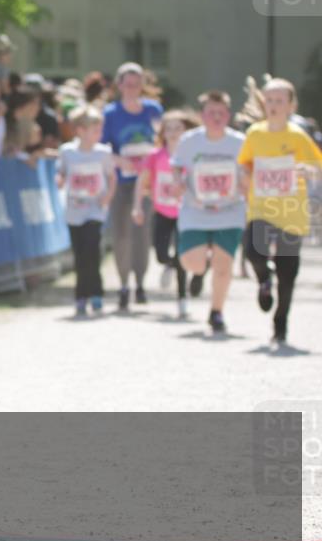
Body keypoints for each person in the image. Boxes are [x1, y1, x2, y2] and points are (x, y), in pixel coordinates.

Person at [236, 78, 322, 344]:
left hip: (289, 209)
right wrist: (243, 177)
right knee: (253, 251)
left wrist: (307, 170)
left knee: (288, 273)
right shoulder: (255, 133)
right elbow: (244, 164)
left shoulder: (297, 136)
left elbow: (316, 167)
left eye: (279, 101)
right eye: (269, 100)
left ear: (291, 105)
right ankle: (264, 278)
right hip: (261, 207)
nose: (273, 106)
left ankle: (280, 323)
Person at [172, 91, 247, 334]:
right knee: (192, 263)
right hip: (196, 210)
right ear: (202, 115)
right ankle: (201, 270)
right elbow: (177, 167)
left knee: (223, 265)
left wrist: (247, 183)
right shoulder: (189, 141)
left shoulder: (239, 142)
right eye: (211, 112)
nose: (216, 117)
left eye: (221, 113)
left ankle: (216, 312)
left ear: (229, 115)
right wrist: (178, 183)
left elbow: (249, 171)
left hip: (230, 209)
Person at [101, 62, 163, 311]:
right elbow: (103, 148)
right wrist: (121, 161)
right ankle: (124, 284)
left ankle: (141, 283)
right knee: (121, 234)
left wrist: (150, 162)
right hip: (120, 181)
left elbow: (161, 142)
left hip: (145, 183)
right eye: (128, 84)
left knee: (142, 233)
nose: (132, 89)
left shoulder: (153, 110)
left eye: (137, 84)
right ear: (119, 86)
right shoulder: (110, 113)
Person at [132, 110, 197, 317]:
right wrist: (137, 206)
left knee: (181, 254)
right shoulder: (155, 155)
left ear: (187, 131)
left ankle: (181, 298)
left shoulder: (192, 155)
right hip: (161, 210)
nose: (173, 133)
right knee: (160, 253)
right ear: (162, 132)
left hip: (185, 212)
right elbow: (141, 181)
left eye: (178, 128)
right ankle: (167, 265)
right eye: (169, 128)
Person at [56, 107, 117, 316]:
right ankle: (81, 295)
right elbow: (61, 173)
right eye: (94, 129)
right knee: (80, 254)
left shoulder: (103, 152)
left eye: (100, 129)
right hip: (74, 209)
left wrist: (107, 197)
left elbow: (111, 177)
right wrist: (60, 180)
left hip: (95, 209)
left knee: (92, 249)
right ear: (80, 130)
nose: (99, 133)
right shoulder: (67, 151)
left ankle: (96, 293)